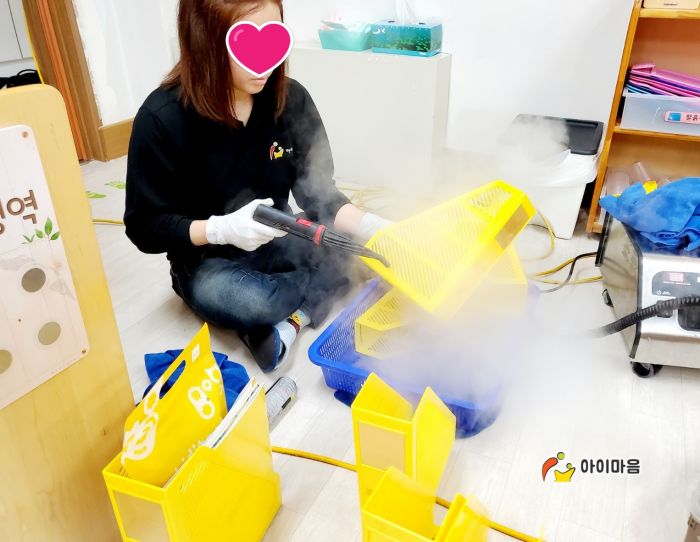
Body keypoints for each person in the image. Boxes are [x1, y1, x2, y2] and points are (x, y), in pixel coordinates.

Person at [124, 0, 389, 372]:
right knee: (255, 301)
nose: (263, 63)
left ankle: (287, 324)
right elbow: (145, 227)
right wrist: (219, 229)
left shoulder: (290, 99)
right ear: (204, 40)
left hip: (282, 238)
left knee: (360, 246)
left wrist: (377, 228)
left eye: (273, 39)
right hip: (209, 262)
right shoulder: (162, 117)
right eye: (245, 45)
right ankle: (299, 307)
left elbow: (317, 193)